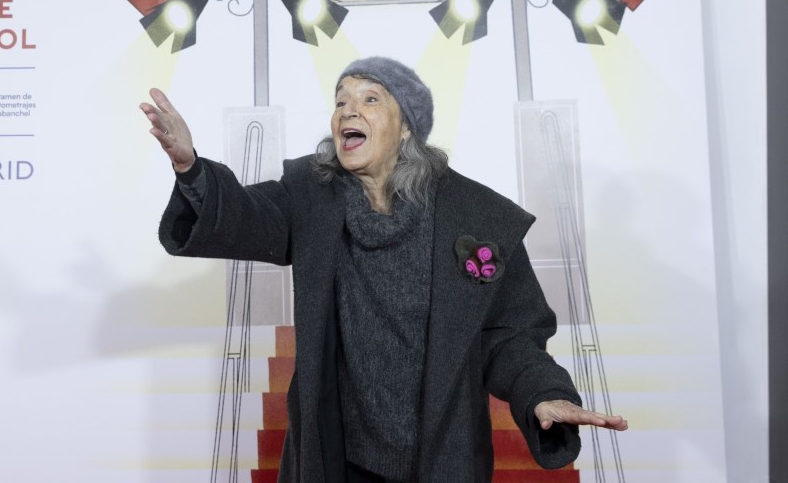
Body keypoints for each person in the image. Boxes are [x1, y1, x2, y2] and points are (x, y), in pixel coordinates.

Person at [141, 56, 627, 483]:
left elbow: (509, 336)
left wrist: (542, 393)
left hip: (443, 456)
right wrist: (191, 169)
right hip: (339, 460)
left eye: (370, 99)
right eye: (341, 101)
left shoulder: (478, 217)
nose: (348, 110)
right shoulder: (309, 197)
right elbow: (245, 217)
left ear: (407, 126)